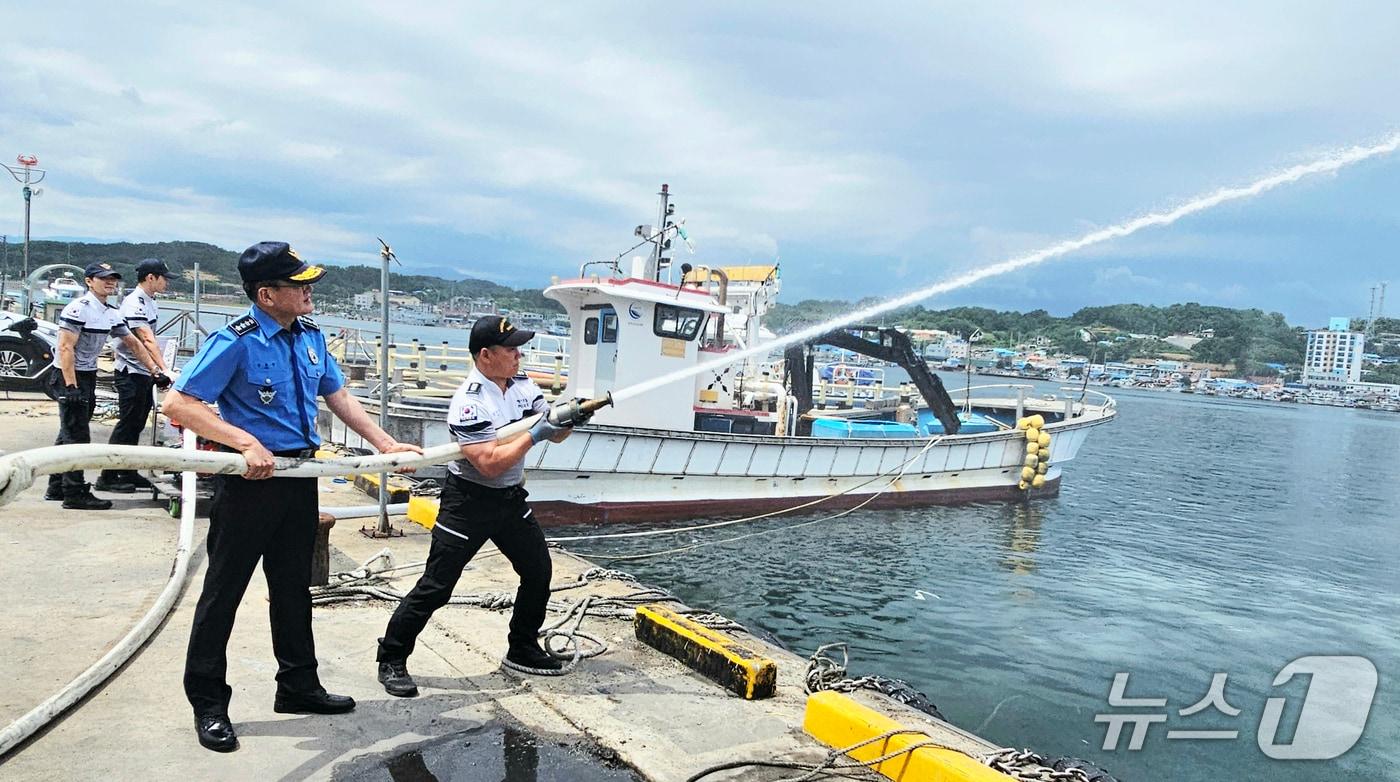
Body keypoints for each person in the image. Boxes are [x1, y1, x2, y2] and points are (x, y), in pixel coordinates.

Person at [162, 242, 423, 753]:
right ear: (267, 294)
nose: (308, 292)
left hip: (298, 477)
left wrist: (385, 443)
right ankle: (209, 703)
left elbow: (338, 395)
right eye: (298, 284)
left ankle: (298, 685)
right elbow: (180, 402)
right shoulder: (235, 341)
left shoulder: (308, 336)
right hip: (250, 484)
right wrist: (244, 442)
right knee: (223, 594)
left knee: (292, 588)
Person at [375, 315, 586, 697]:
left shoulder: (522, 385)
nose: (519, 355)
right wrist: (537, 433)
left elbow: (556, 436)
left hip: (509, 499)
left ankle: (521, 646)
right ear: (486, 355)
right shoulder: (469, 402)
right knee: (437, 587)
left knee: (538, 572)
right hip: (469, 502)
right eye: (511, 349)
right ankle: (391, 657)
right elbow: (488, 464)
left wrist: (569, 420)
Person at [45, 262, 167, 509]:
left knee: (69, 431)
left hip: (88, 374)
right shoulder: (79, 309)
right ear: (89, 281)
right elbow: (65, 347)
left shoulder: (110, 312)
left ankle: (56, 485)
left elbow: (133, 343)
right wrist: (70, 386)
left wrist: (156, 371)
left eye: (112, 279)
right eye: (103, 279)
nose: (110, 283)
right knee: (77, 435)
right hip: (69, 374)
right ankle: (74, 493)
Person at [97, 258, 173, 492]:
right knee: (127, 424)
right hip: (131, 371)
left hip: (143, 371)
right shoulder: (134, 303)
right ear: (151, 277)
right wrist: (163, 369)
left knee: (138, 424)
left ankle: (128, 470)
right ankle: (107, 476)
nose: (167, 284)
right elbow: (146, 339)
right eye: (164, 279)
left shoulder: (151, 301)